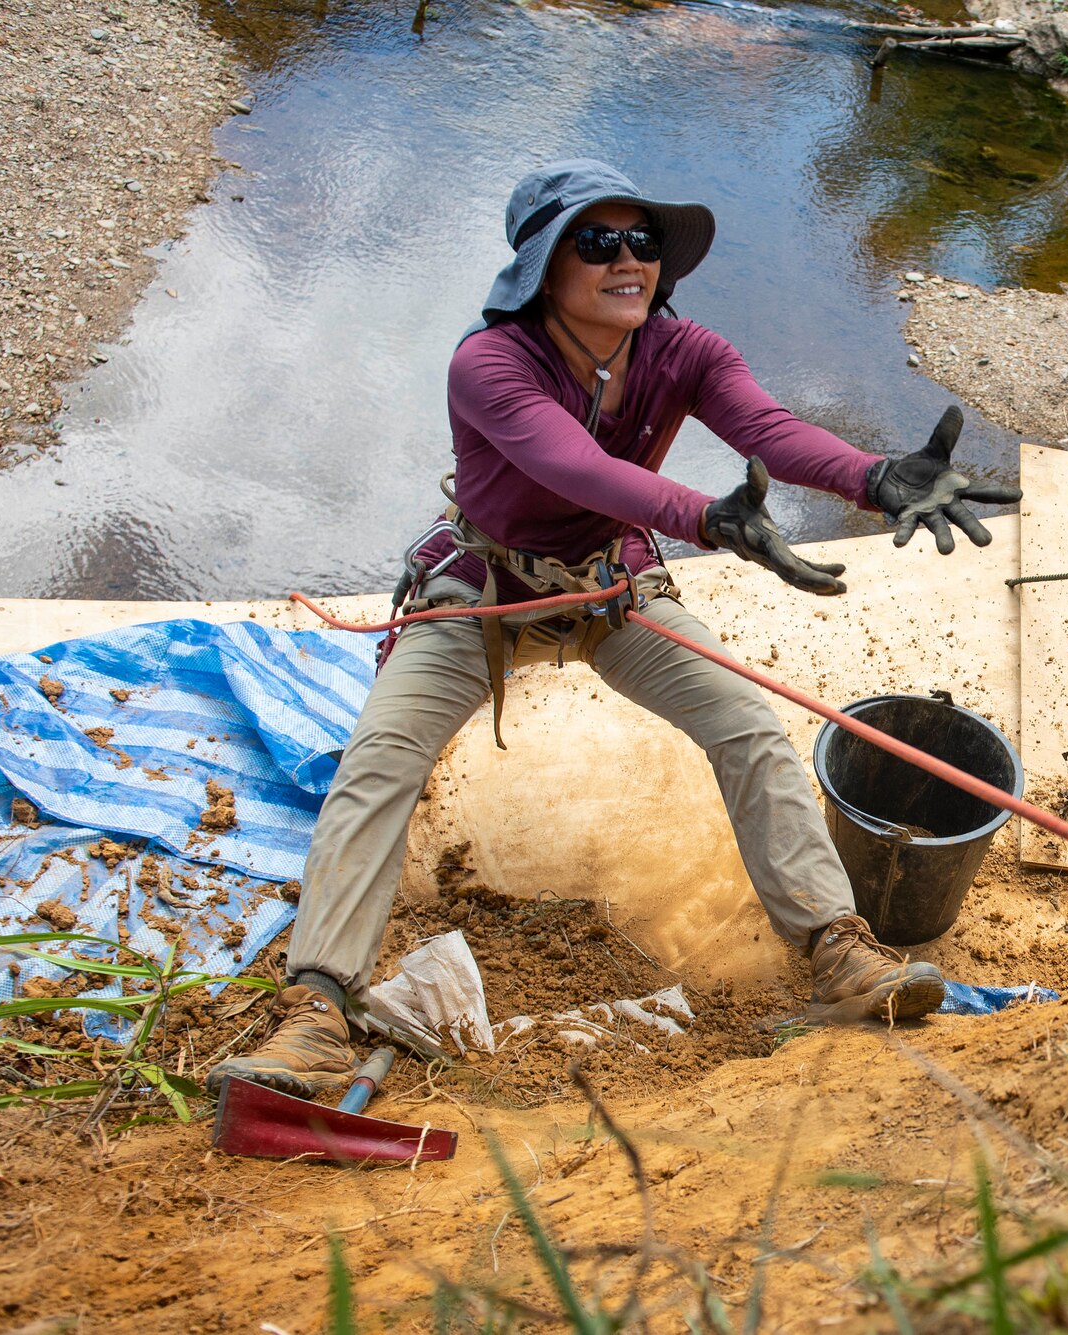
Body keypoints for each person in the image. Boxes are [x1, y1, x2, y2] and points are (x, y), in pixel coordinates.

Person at [207, 160, 1020, 1097]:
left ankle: (840, 955)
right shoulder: (489, 364)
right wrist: (706, 519)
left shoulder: (689, 351)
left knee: (747, 723)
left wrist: (874, 478)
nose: (628, 260)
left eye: (643, 242)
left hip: (609, 587)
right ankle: (315, 1012)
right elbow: (577, 468)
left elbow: (768, 427)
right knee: (380, 760)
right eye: (598, 243)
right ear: (545, 268)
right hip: (484, 589)